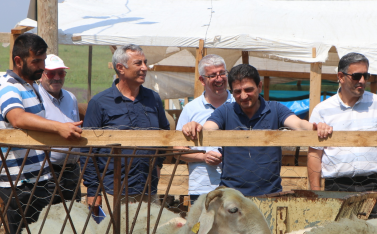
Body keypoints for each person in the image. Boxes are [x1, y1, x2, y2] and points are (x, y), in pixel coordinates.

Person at [0, 32, 83, 234]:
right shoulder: (8, 86)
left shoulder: (28, 86)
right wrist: (59, 127)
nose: (41, 67)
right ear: (18, 61)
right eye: (36, 62)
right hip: (18, 180)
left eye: (43, 61)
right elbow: (17, 117)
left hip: (36, 177)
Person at [182, 64, 326, 197]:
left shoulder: (275, 109)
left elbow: (299, 124)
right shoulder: (225, 111)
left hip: (269, 194)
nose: (243, 96)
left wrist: (316, 127)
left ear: (260, 86)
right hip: (231, 196)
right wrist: (196, 126)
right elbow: (209, 127)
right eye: (237, 92)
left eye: (248, 89)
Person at [81, 44, 170, 213]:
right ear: (121, 68)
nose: (145, 68)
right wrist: (93, 191)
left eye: (145, 62)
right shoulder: (100, 103)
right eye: (138, 63)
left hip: (147, 188)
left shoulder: (153, 99)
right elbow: (87, 150)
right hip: (112, 191)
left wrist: (157, 165)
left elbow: (165, 136)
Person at [307, 52, 377, 219]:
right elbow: (314, 154)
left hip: (374, 185)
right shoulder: (322, 110)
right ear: (341, 76)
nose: (362, 80)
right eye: (357, 76)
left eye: (365, 75)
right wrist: (316, 195)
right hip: (338, 187)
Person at [174, 54, 234, 204]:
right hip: (202, 186)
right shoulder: (191, 109)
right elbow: (177, 150)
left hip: (237, 186)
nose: (219, 79)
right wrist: (203, 157)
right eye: (212, 75)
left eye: (222, 73)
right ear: (202, 80)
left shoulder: (238, 104)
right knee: (201, 227)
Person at [38, 54, 81, 203]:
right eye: (51, 73)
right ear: (41, 75)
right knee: (49, 218)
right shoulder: (35, 98)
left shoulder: (71, 98)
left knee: (73, 216)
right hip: (48, 171)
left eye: (61, 73)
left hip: (72, 171)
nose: (56, 77)